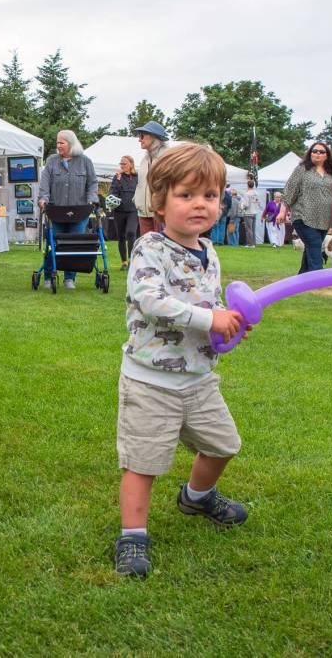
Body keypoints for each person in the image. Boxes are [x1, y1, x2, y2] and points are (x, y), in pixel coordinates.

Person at [114, 143, 249, 578]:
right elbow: (150, 300)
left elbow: (208, 305)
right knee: (144, 463)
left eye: (209, 196)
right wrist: (211, 317)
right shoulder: (149, 248)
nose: (200, 205)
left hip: (198, 379)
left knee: (224, 445)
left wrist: (229, 327)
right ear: (160, 200)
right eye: (186, 195)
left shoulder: (210, 251)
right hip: (151, 381)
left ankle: (197, 496)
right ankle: (133, 536)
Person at [37, 130, 98, 289]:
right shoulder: (51, 161)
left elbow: (92, 183)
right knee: (53, 244)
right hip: (56, 211)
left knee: (73, 245)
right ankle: (49, 277)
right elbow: (44, 183)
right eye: (57, 142)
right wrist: (43, 198)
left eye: (61, 143)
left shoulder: (85, 162)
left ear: (71, 144)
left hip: (79, 211)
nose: (58, 146)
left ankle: (69, 278)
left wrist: (92, 198)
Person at [282, 142, 332, 273]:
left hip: (324, 219)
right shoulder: (302, 169)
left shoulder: (331, 173)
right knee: (314, 243)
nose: (317, 154)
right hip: (303, 216)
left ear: (327, 156)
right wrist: (282, 212)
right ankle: (318, 277)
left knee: (312, 247)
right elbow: (289, 191)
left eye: (321, 152)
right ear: (310, 153)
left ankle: (302, 277)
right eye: (314, 151)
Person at [132, 121, 171, 235]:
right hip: (144, 213)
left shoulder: (167, 158)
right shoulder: (145, 159)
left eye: (142, 136)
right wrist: (137, 200)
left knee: (162, 247)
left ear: (154, 137)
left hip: (161, 213)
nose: (139, 139)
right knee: (147, 248)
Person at [108, 155, 139, 270]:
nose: (122, 166)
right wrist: (118, 179)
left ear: (131, 164)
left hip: (133, 210)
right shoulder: (117, 177)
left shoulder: (137, 177)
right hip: (119, 211)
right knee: (120, 236)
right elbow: (113, 191)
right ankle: (124, 262)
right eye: (120, 163)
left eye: (124, 163)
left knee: (131, 233)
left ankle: (132, 260)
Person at [243, 179, 262, 247]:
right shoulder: (257, 193)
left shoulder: (247, 194)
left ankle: (250, 244)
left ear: (248, 185)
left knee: (248, 229)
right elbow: (259, 203)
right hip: (255, 213)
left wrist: (241, 206)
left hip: (248, 213)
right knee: (253, 229)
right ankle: (253, 243)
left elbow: (246, 204)